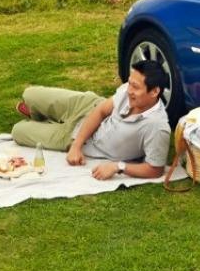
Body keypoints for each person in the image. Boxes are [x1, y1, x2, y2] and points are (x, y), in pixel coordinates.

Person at [12, 60, 171, 181]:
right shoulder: (129, 91)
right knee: (29, 93)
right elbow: (101, 110)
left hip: (74, 137)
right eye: (129, 83)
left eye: (135, 87)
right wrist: (76, 146)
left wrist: (118, 167)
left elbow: (155, 169)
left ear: (154, 91)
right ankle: (41, 113)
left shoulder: (157, 127)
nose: (129, 90)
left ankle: (44, 116)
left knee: (18, 131)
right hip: (86, 106)